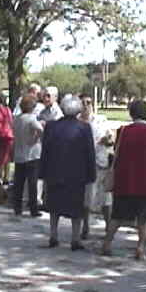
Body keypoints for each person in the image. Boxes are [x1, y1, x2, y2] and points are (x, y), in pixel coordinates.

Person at [101, 100, 146, 260]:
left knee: (118, 215)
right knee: (144, 217)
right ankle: (140, 248)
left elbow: (117, 151)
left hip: (125, 178)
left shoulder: (123, 131)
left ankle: (107, 243)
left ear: (131, 113)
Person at [39, 95, 96, 250]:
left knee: (54, 206)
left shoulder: (51, 127)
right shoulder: (84, 128)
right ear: (78, 110)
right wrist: (91, 174)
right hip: (77, 174)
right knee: (76, 207)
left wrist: (42, 172)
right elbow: (90, 153)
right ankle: (75, 239)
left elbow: (45, 151)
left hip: (54, 171)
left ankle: (53, 235)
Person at [78, 93, 113, 239]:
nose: (87, 105)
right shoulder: (77, 122)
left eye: (89, 102)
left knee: (106, 198)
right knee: (86, 197)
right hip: (84, 164)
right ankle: (85, 226)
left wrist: (107, 140)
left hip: (101, 161)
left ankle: (108, 228)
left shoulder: (101, 120)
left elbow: (111, 139)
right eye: (83, 103)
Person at [12, 94, 44, 219]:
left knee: (18, 182)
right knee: (32, 183)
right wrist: (36, 138)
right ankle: (33, 208)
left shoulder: (17, 119)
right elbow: (40, 130)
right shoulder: (32, 119)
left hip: (19, 153)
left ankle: (17, 207)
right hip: (32, 154)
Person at [0, 91, 14, 189]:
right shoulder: (8, 109)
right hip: (9, 136)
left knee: (0, 159)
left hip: (1, 137)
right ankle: (6, 179)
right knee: (7, 159)